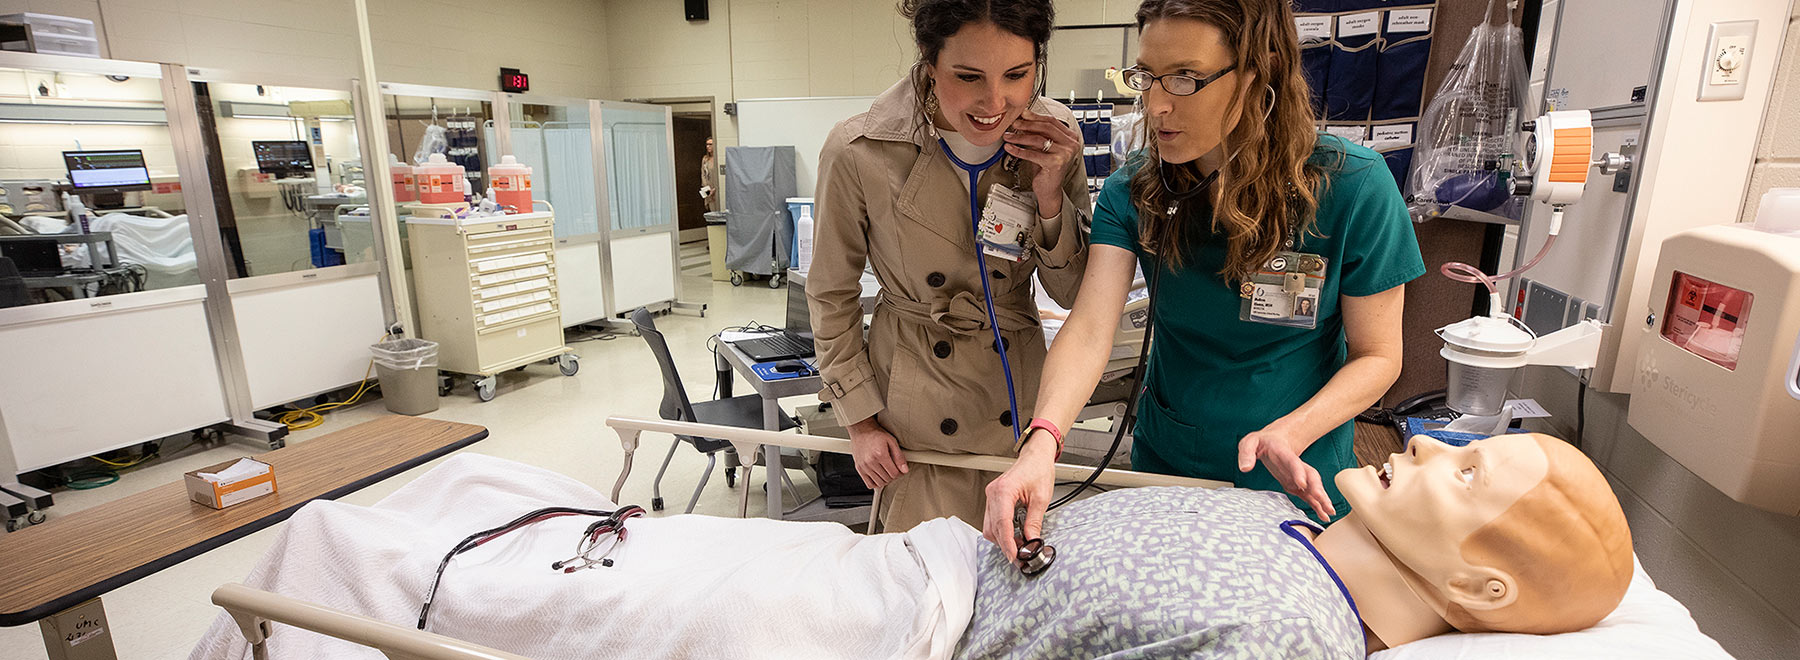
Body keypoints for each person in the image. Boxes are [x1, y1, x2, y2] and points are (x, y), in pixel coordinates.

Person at [193, 433, 1637, 659]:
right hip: (911, 562)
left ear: (1484, 586)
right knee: (516, 490)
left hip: (884, 634)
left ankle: (290, 594)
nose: (1435, 444)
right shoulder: (1303, 530)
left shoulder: (1281, 634)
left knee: (481, 572)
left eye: (1473, 472)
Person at [983, 0, 1426, 549]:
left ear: (1258, 72)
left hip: (1294, 474)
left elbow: (1379, 356)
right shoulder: (1136, 191)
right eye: (1147, 77)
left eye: (1185, 79)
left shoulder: (1353, 188)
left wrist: (1293, 431)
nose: (1157, 105)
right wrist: (1042, 443)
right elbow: (1091, 328)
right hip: (1167, 463)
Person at [807, 0, 1091, 531]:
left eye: (1017, 75)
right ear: (928, 60)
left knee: (1012, 580)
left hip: (1016, 398)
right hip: (916, 403)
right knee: (923, 586)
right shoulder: (858, 150)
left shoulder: (1054, 136)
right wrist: (861, 423)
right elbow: (831, 295)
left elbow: (1075, 293)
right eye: (968, 76)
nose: (994, 101)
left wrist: (1051, 195)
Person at [699, 137, 719, 213]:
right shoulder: (705, 159)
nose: (708, 146)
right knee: (711, 210)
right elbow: (703, 174)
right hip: (708, 188)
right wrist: (707, 188)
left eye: (710, 144)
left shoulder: (718, 159)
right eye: (707, 144)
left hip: (716, 187)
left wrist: (715, 188)